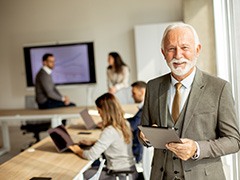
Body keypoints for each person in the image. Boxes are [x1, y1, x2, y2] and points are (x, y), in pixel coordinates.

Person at [139, 23, 240, 180]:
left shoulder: (219, 88)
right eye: (171, 49)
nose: (178, 55)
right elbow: (144, 132)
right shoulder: (153, 86)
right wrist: (145, 137)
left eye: (185, 48)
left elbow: (234, 141)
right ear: (163, 53)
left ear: (197, 50)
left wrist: (197, 148)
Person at [69, 93, 138, 180]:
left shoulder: (109, 131)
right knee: (90, 171)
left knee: (82, 175)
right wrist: (94, 142)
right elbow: (117, 142)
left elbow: (91, 155)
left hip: (119, 175)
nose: (99, 113)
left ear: (105, 111)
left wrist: (77, 150)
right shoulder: (125, 124)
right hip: (130, 171)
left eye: (99, 111)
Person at [127, 81, 146, 163]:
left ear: (142, 92)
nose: (132, 96)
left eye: (134, 93)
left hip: (137, 153)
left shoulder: (145, 109)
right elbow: (134, 119)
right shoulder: (143, 107)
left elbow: (132, 125)